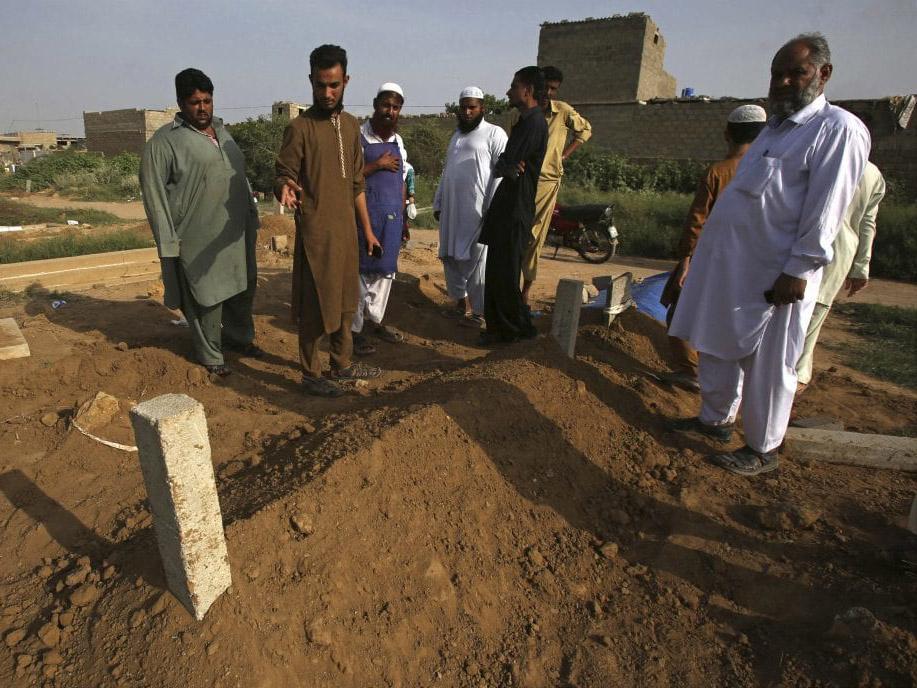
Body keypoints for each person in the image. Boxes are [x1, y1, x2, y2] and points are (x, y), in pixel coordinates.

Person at [669, 33, 870, 475]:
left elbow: (827, 207)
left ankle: (762, 447)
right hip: (731, 268)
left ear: (823, 74)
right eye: (777, 73)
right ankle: (715, 420)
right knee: (718, 344)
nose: (782, 82)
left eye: (795, 72)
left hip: (777, 275)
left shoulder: (837, 129)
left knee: (770, 363)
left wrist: (798, 269)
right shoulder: (772, 131)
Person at [274, 44, 381, 397]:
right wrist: (285, 187)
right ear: (311, 81)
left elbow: (356, 184)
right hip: (315, 234)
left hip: (347, 234)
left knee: (346, 302)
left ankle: (342, 365)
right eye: (320, 85)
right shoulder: (299, 127)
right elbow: (283, 172)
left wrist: (366, 230)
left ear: (346, 80)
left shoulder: (352, 127)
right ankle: (310, 373)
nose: (327, 92)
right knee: (314, 304)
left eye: (334, 84)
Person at [140, 68, 260, 377]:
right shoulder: (164, 143)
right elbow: (154, 196)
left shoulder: (223, 132)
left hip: (235, 232)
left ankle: (239, 339)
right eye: (195, 102)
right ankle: (211, 356)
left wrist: (252, 215)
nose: (203, 108)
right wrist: (167, 242)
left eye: (207, 101)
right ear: (181, 103)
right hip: (196, 235)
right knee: (207, 298)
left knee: (242, 288)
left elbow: (239, 177)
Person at [660, 104, 767, 392]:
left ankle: (690, 371)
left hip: (710, 258)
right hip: (751, 262)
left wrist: (685, 260)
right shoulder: (769, 172)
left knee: (678, 309)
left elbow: (697, 221)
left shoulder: (718, 172)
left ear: (727, 134)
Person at [796, 161, 885, 387]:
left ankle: (788, 383)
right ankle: (794, 377)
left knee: (797, 315)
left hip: (804, 245)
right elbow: (867, 222)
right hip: (839, 252)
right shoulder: (872, 172)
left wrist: (861, 267)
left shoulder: (822, 159)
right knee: (812, 318)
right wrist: (861, 267)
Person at [479, 67, 548, 344]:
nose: (508, 91)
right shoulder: (525, 122)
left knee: (506, 274)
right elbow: (501, 165)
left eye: (513, 86)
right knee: (496, 271)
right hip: (506, 207)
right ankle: (498, 329)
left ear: (527, 90)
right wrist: (506, 165)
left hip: (516, 208)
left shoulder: (534, 124)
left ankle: (516, 332)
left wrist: (507, 165)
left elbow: (508, 163)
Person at [433, 86, 508, 327]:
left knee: (476, 261)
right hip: (452, 210)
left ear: (482, 108)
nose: (467, 111)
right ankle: (459, 304)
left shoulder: (495, 134)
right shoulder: (456, 135)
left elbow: (500, 173)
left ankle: (479, 314)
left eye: (472, 107)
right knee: (450, 256)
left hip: (478, 211)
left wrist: (492, 208)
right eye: (463, 107)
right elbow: (447, 171)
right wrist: (438, 201)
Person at [520, 66, 592, 305]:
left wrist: (564, 154)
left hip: (547, 181)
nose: (549, 93)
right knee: (515, 232)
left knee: (534, 236)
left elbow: (585, 131)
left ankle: (525, 290)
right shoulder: (522, 112)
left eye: (553, 89)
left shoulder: (562, 111)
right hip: (521, 180)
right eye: (546, 87)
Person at [351, 83, 409, 356]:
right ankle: (354, 330)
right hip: (365, 215)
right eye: (386, 105)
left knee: (385, 272)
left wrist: (403, 220)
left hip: (392, 217)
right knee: (361, 272)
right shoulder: (358, 137)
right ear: (375, 105)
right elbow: (349, 178)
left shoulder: (398, 142)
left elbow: (401, 182)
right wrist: (377, 165)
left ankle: (375, 322)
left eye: (395, 107)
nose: (390, 111)